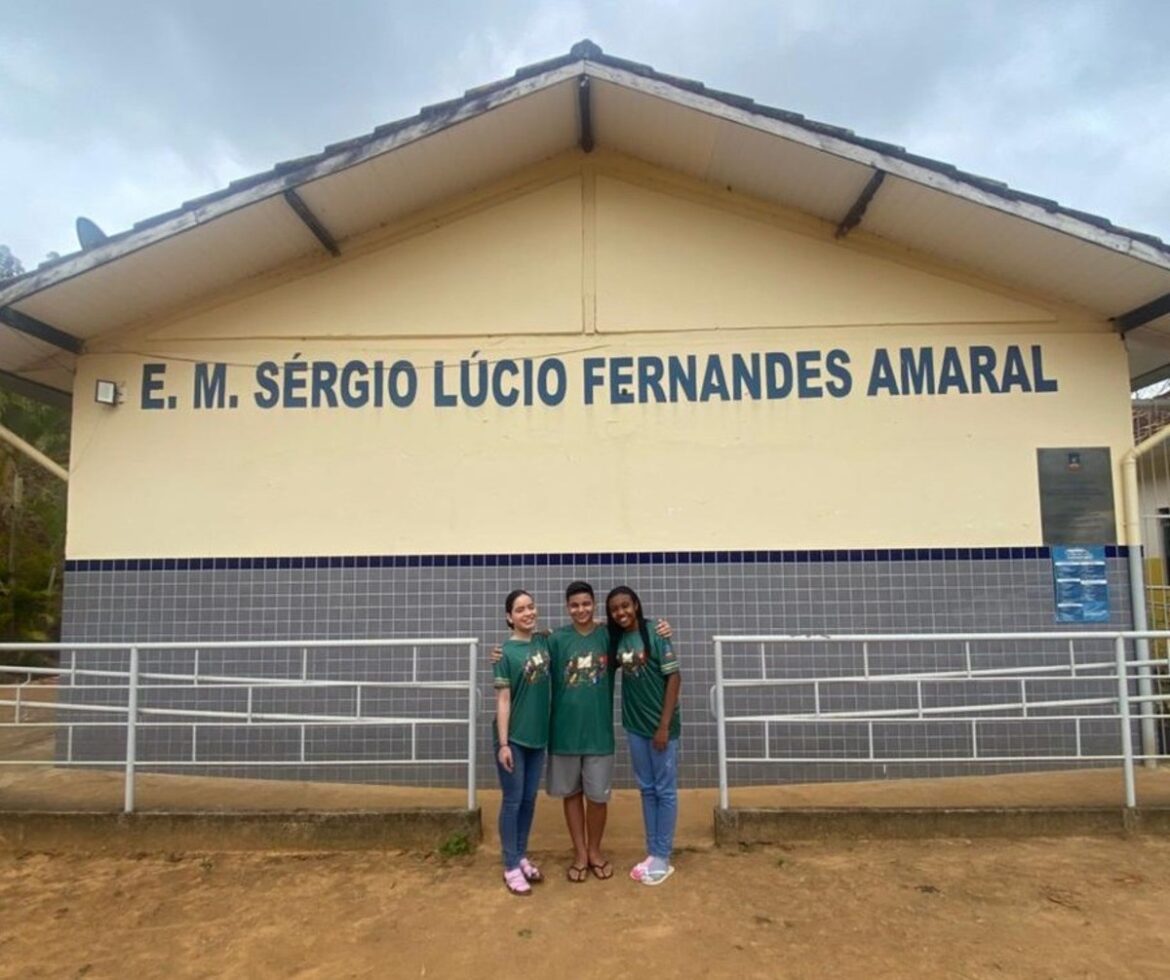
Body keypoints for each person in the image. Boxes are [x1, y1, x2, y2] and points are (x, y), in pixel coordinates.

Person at [490, 582, 670, 883]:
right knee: (571, 795)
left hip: (599, 735)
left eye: (586, 604)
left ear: (594, 605)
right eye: (574, 605)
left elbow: (634, 630)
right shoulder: (554, 639)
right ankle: (579, 854)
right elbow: (525, 646)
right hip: (563, 735)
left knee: (597, 798)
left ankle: (595, 851)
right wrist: (500, 652)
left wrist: (660, 627)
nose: (581, 610)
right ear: (567, 608)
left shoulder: (608, 636)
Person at [606, 585, 681, 887]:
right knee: (647, 789)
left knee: (665, 790)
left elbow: (674, 678)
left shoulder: (656, 632)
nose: (621, 612)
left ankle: (663, 855)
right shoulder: (617, 639)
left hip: (660, 728)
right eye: (615, 609)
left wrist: (663, 726)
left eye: (626, 605)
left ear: (636, 604)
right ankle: (653, 852)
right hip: (635, 726)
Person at [493, 588, 551, 896]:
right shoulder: (504, 653)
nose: (527, 612)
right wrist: (503, 743)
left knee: (529, 801)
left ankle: (520, 854)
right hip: (513, 739)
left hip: (537, 738)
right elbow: (503, 698)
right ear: (509, 617)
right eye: (520, 609)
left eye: (530, 607)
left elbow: (585, 626)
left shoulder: (543, 641)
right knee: (513, 801)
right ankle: (510, 865)